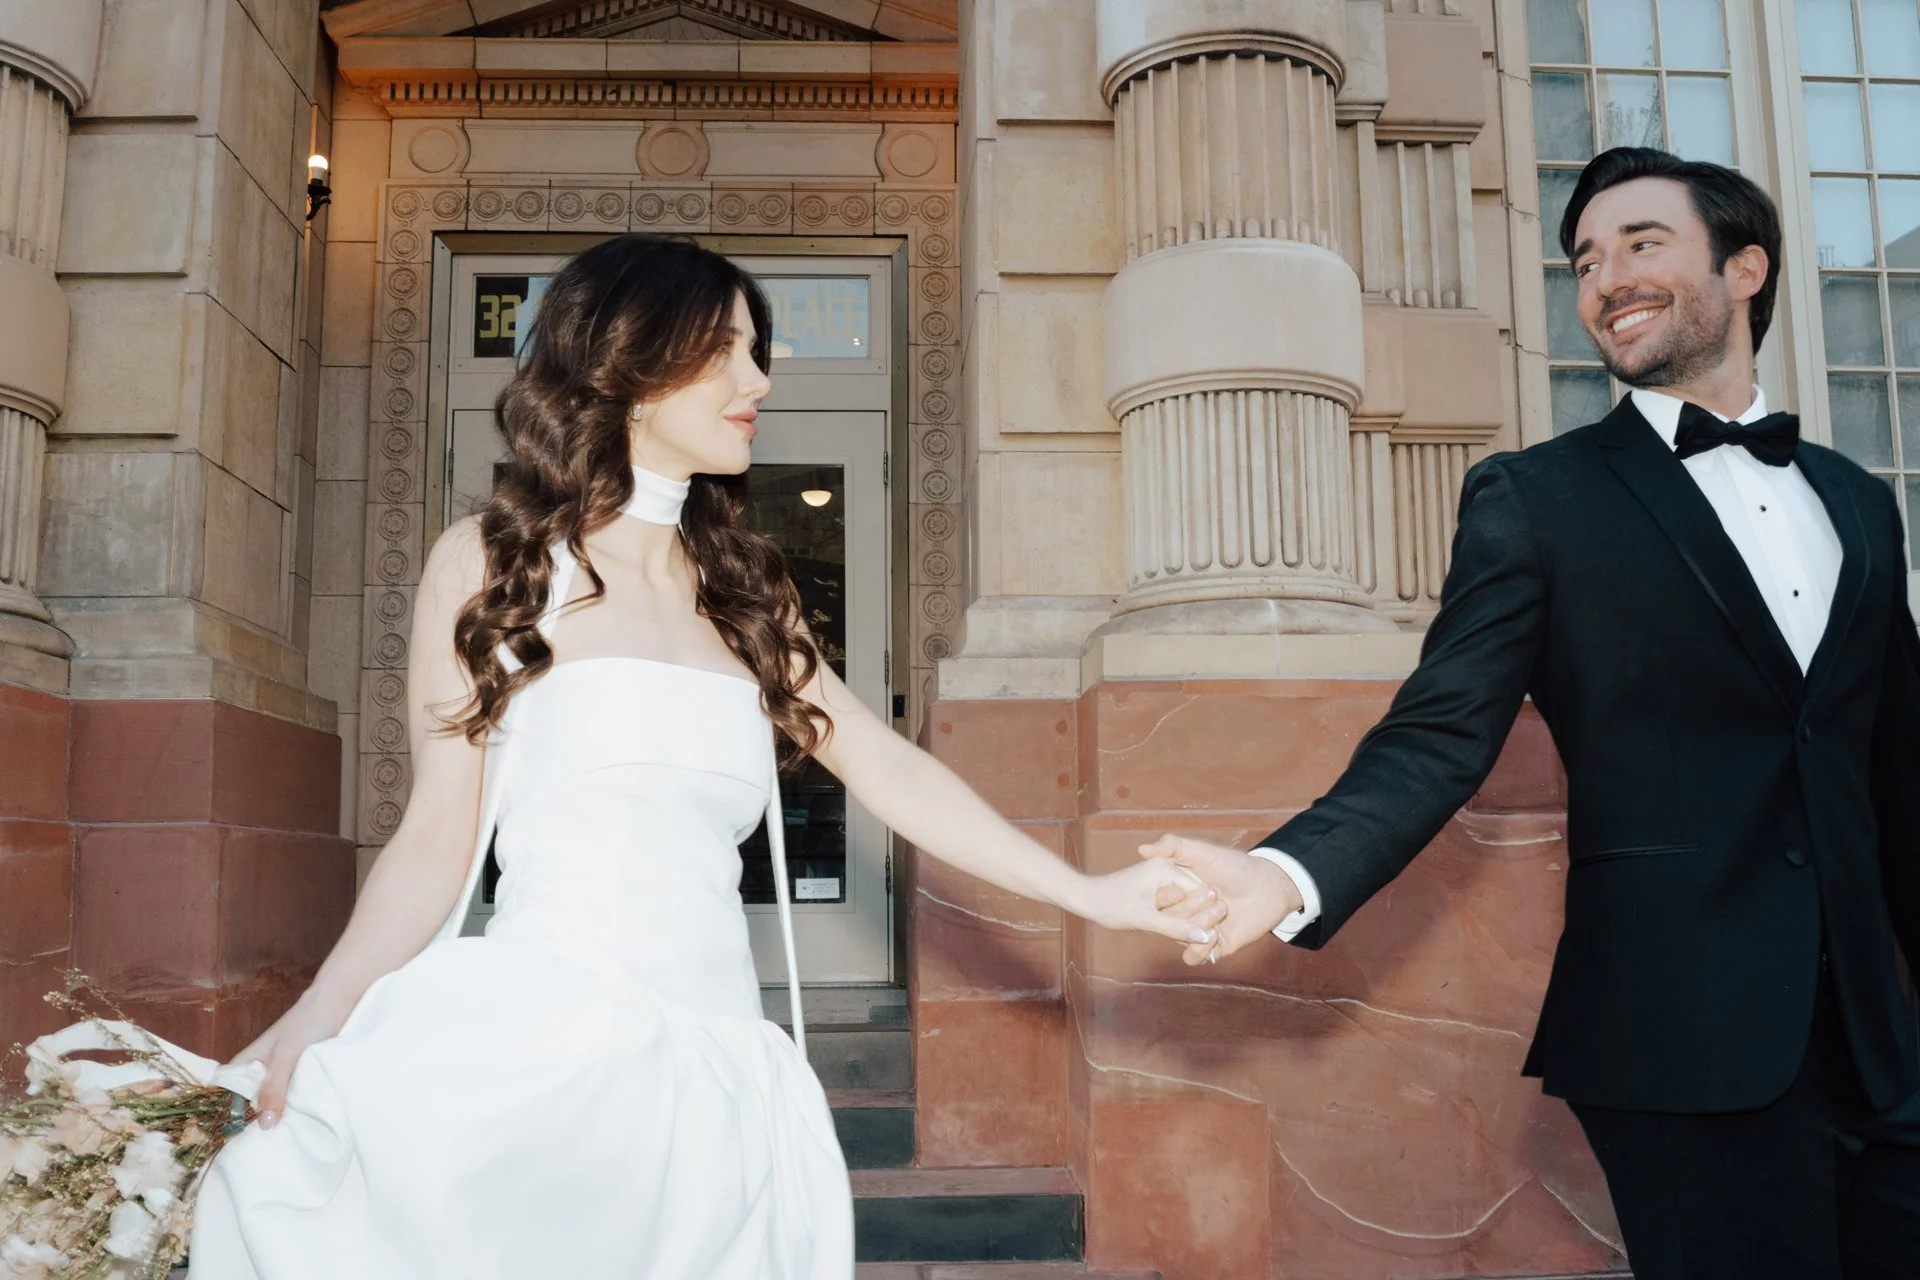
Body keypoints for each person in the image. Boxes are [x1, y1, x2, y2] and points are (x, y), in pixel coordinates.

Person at [188, 234, 1227, 1279]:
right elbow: (434, 836)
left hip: (721, 1073)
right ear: (628, 364)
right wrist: (320, 1012)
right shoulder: (491, 564)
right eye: (726, 350)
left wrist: (1090, 895)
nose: (758, 379)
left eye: (755, 350)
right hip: (541, 1050)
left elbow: (886, 764)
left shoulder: (747, 590)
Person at [1148, 147, 1920, 1277]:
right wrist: (1287, 871)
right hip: (1682, 1034)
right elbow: (1440, 729)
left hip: (1880, 1046)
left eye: (1642, 244)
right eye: (1586, 260)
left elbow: (1898, 774)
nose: (1607, 278)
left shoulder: (1858, 503)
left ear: (1745, 266)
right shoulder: (1537, 498)